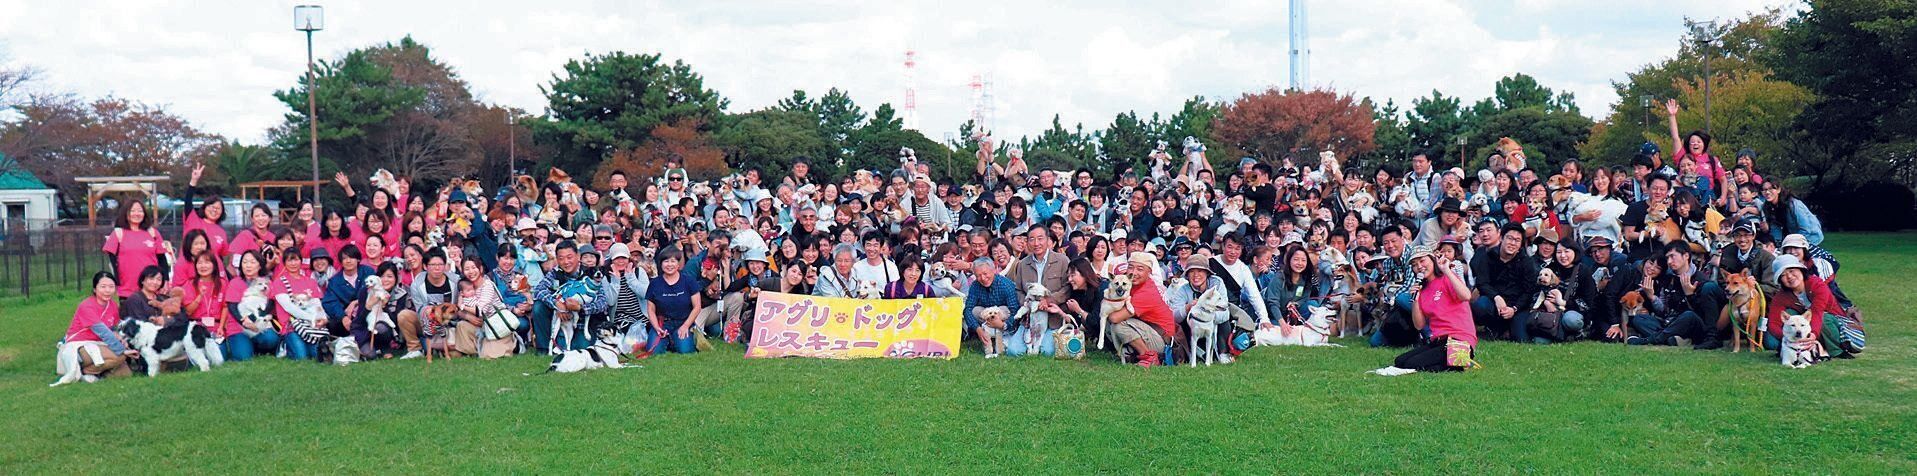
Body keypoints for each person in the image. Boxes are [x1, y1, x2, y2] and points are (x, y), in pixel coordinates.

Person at [1373, 245, 1478, 375]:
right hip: (1438, 340)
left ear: (1432, 260)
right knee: (1400, 361)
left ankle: (1460, 362)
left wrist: (1446, 270)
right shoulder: (1423, 289)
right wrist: (1416, 300)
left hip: (1459, 339)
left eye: (1422, 261)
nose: (1419, 266)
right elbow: (1419, 325)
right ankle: (1455, 363)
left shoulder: (1447, 277)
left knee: (1412, 364)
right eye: (1414, 264)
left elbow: (1466, 296)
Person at [1764, 255, 1851, 359]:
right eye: (1783, 275)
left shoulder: (1817, 284)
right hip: (1802, 329)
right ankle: (1792, 349)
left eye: (1791, 271)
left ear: (1801, 270)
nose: (1789, 276)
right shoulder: (1781, 296)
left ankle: (1835, 350)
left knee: (1824, 318)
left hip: (1831, 321)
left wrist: (1812, 335)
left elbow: (1817, 313)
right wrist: (1787, 338)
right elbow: (1773, 323)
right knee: (1771, 341)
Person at [1103, 252, 1177, 368]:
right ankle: (1129, 353)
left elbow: (1114, 318)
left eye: (1140, 269)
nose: (1134, 272)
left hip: (1163, 341)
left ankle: (1149, 356)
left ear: (1149, 272)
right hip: (1149, 331)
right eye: (1131, 267)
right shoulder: (1130, 284)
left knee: (1118, 325)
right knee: (1108, 321)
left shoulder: (1146, 292)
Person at [58, 272, 134, 382]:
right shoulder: (86, 306)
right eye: (103, 287)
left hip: (100, 343)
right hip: (80, 345)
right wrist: (122, 350)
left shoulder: (112, 305)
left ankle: (99, 372)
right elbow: (103, 332)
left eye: (111, 287)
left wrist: (121, 340)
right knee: (120, 356)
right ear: (94, 289)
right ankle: (85, 371)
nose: (107, 290)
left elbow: (113, 328)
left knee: (124, 374)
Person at [1469, 224, 1539, 342]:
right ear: (1501, 238)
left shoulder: (1526, 262)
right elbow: (1482, 283)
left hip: (1517, 306)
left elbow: (1529, 291)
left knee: (1521, 339)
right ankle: (1493, 327)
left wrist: (1514, 309)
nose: (1512, 243)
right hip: (1494, 302)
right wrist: (1496, 297)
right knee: (1480, 306)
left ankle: (1506, 328)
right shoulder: (1488, 257)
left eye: (1517, 240)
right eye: (1509, 238)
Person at [398, 250, 462, 359]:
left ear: (445, 265)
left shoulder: (455, 281)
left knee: (455, 354)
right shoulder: (417, 285)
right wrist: (429, 312)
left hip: (449, 323)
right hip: (426, 322)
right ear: (425, 266)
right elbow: (419, 309)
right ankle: (415, 349)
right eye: (433, 265)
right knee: (404, 315)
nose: (437, 268)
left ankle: (435, 347)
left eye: (440, 264)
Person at [220, 250, 279, 360]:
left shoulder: (267, 282)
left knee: (271, 339)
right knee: (243, 357)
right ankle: (247, 346)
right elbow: (232, 307)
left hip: (260, 323)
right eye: (245, 262)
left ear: (260, 265)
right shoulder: (235, 282)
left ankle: (258, 347)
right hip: (238, 327)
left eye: (252, 262)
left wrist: (253, 319)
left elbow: (270, 305)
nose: (248, 265)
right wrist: (244, 322)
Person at [103, 200, 167, 299]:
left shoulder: (153, 233)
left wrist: (165, 280)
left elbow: (162, 259)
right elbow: (113, 261)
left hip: (152, 288)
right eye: (132, 211)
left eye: (140, 211)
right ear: (126, 213)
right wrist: (117, 282)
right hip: (127, 290)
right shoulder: (118, 233)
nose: (136, 214)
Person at [647, 249, 703, 354]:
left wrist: (686, 326)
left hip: (683, 322)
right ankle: (668, 341)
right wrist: (657, 327)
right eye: (666, 261)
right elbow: (650, 309)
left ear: (678, 264)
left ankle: (676, 340)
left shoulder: (689, 281)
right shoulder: (654, 283)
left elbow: (697, 306)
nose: (669, 265)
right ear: (661, 264)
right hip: (663, 323)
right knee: (653, 352)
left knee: (686, 351)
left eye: (673, 261)